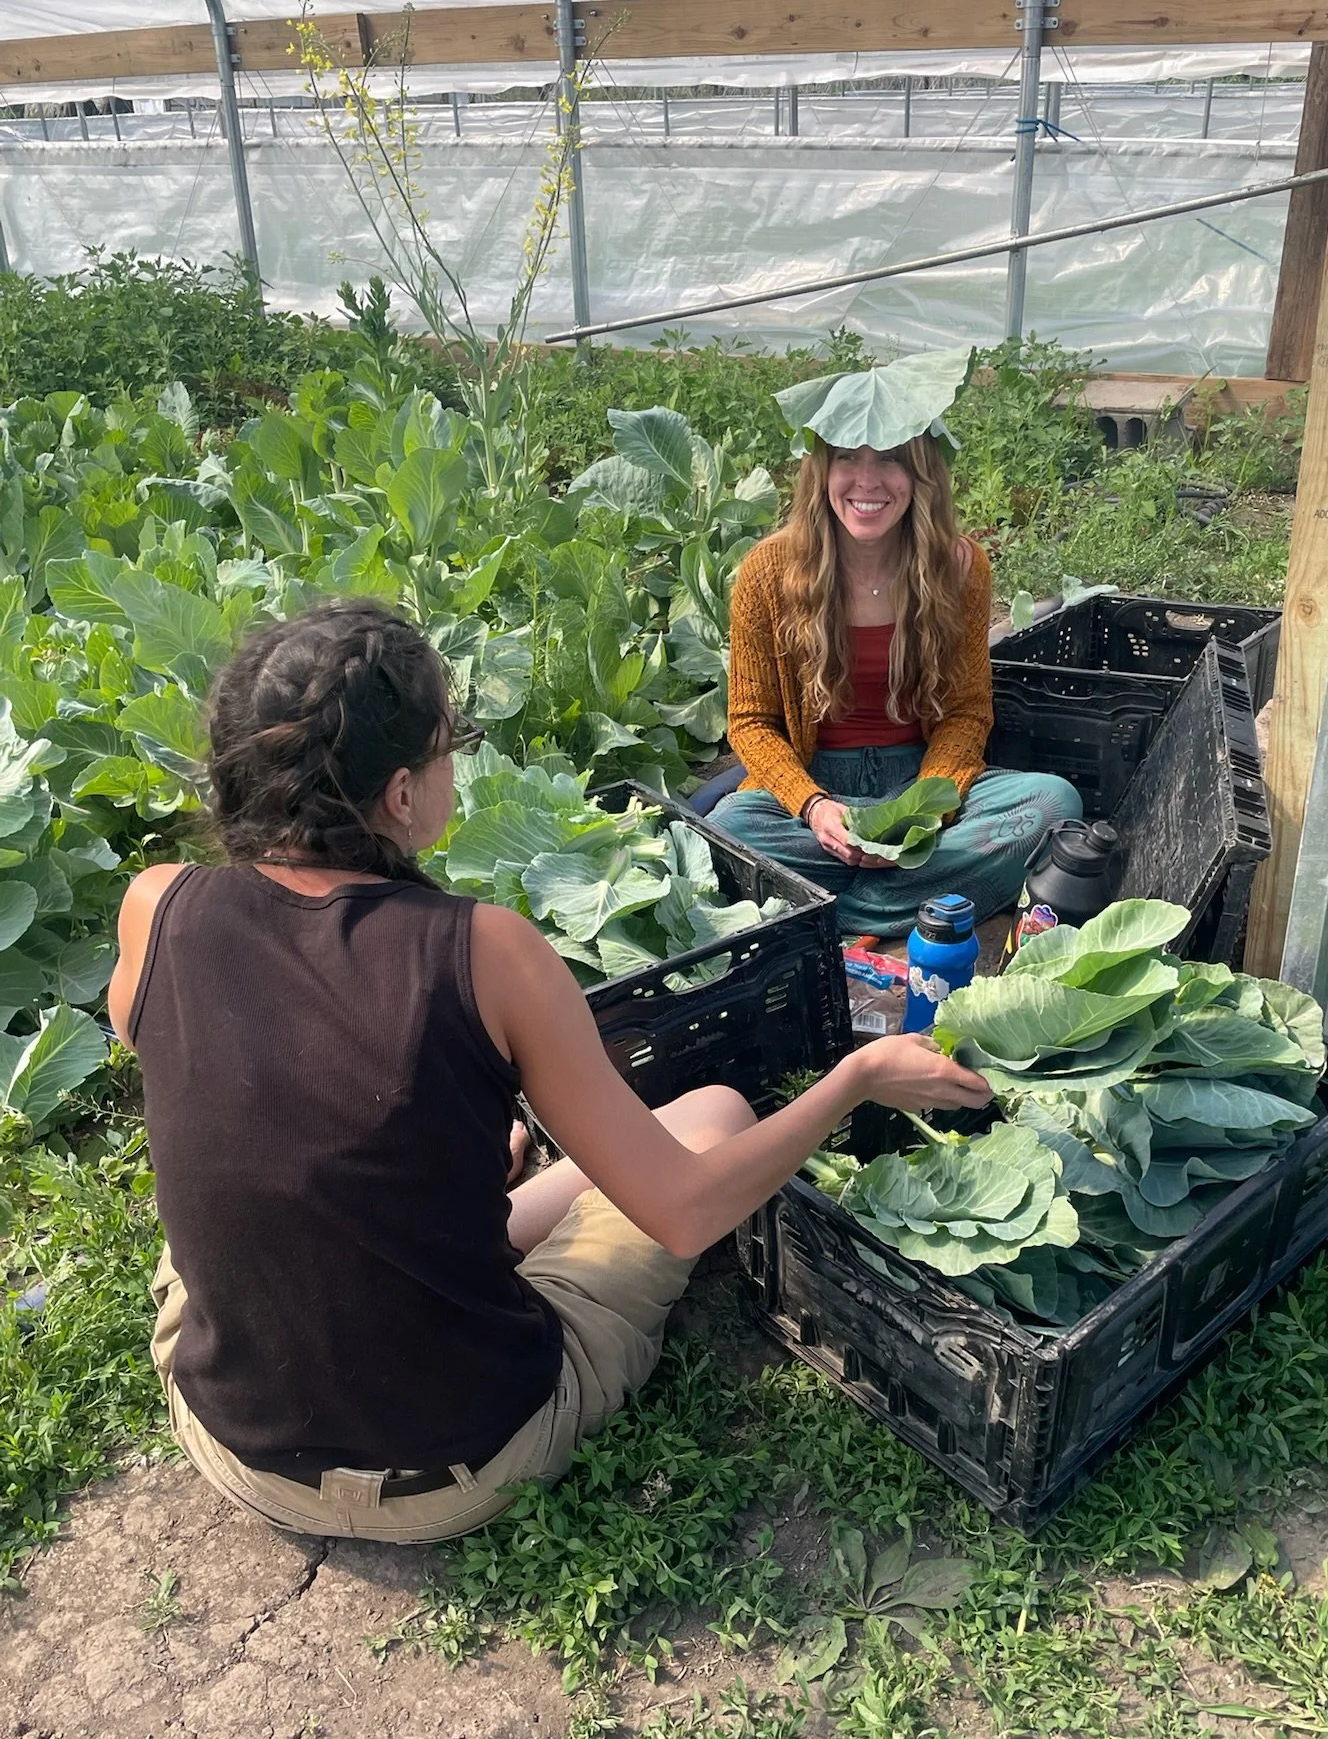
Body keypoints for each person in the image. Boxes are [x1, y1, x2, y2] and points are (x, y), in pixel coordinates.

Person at [107, 600, 992, 1545]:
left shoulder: (158, 905)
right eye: (455, 743)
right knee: (714, 1116)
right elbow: (686, 1210)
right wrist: (854, 1079)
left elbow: (212, 1069)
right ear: (401, 796)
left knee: (246, 1216)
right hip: (454, 1468)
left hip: (231, 1434)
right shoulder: (486, 952)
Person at [709, 351, 1083, 937]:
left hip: (921, 777)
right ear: (821, 471)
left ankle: (825, 907)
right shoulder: (768, 571)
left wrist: (927, 809)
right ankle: (914, 900)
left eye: (889, 459)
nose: (867, 481)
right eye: (847, 460)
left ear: (920, 474)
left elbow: (964, 712)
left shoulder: (959, 568)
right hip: (816, 783)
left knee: (1053, 805)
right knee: (728, 828)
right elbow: (751, 723)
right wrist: (813, 807)